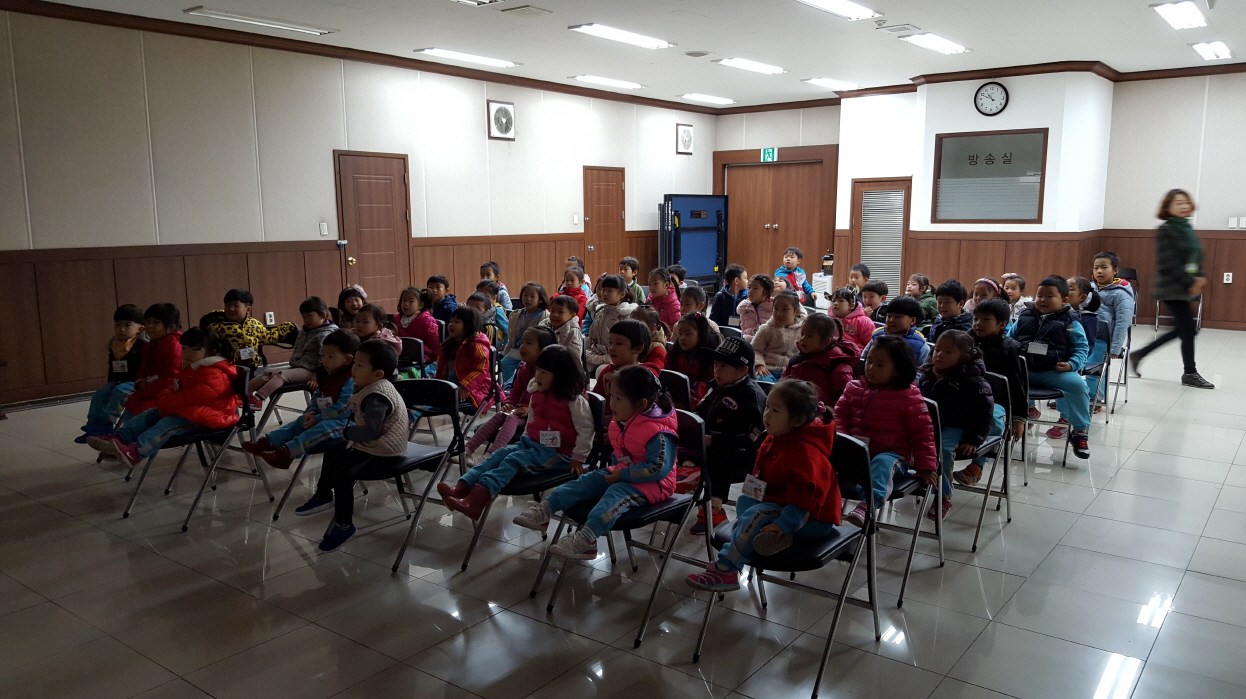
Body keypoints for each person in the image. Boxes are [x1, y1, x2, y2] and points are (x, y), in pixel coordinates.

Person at [685, 379, 839, 591]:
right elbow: (758, 478)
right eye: (767, 406)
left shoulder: (806, 453)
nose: (766, 415)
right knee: (747, 504)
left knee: (756, 515)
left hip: (811, 519)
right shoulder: (773, 438)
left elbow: (804, 501)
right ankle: (762, 536)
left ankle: (727, 569)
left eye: (775, 410)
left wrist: (783, 524)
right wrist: (748, 512)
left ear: (797, 420)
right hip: (781, 505)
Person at [513, 365, 678, 560]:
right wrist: (619, 472)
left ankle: (587, 540)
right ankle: (545, 510)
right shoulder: (622, 422)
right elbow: (621, 457)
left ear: (641, 404)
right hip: (623, 472)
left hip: (655, 484)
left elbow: (659, 468)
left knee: (616, 494)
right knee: (587, 480)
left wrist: (623, 475)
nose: (612, 403)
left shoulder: (659, 432)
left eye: (618, 399)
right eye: (612, 396)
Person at [441, 344, 594, 520]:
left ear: (561, 376)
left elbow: (586, 430)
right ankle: (461, 488)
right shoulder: (537, 393)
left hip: (557, 454)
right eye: (538, 370)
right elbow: (532, 421)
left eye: (544, 372)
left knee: (513, 460)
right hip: (532, 445)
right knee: (498, 454)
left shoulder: (574, 401)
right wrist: (525, 440)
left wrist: (578, 458)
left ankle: (477, 501)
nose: (538, 376)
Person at [293, 340, 409, 552]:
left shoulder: (376, 396)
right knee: (333, 449)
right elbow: (348, 412)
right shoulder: (367, 386)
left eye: (360, 365)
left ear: (378, 374)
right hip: (370, 444)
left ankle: (344, 525)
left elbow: (372, 431)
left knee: (342, 474)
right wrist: (321, 418)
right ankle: (323, 495)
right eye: (355, 362)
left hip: (383, 451)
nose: (353, 368)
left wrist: (346, 433)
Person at [89, 327, 239, 466]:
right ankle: (119, 438)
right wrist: (163, 399)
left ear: (211, 352)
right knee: (149, 414)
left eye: (194, 350)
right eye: (184, 349)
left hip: (208, 417)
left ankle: (136, 452)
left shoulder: (213, 372)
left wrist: (166, 402)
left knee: (167, 424)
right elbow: (177, 387)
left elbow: (197, 396)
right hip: (190, 411)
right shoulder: (194, 366)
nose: (187, 354)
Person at [835, 335, 938, 527]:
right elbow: (840, 417)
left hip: (893, 455)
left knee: (882, 463)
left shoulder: (909, 396)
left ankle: (868, 505)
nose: (871, 368)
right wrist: (845, 442)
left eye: (880, 365)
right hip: (858, 454)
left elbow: (923, 434)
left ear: (898, 370)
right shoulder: (853, 388)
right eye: (869, 362)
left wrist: (926, 467)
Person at [1131, 189, 1213, 388]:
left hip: (1182, 285)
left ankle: (1140, 354)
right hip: (1170, 286)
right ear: (1168, 207)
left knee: (1183, 329)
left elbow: (1192, 258)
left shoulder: (1186, 227)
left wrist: (1198, 275)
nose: (1184, 206)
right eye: (1178, 203)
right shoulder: (1166, 230)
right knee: (1188, 330)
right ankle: (1189, 373)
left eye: (1186, 202)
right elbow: (1169, 263)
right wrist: (1191, 281)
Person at [243, 329, 358, 469]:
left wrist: (318, 418)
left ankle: (287, 453)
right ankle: (269, 442)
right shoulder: (328, 373)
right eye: (323, 355)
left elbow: (344, 409)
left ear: (347, 359)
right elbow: (318, 395)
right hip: (323, 415)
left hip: (348, 423)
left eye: (330, 356)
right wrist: (312, 412)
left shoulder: (351, 379)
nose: (324, 360)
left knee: (323, 428)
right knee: (301, 421)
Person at [1008, 276, 1092, 459]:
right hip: (1024, 371)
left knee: (1078, 385)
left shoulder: (1070, 321)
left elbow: (1082, 347)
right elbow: (1008, 339)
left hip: (1054, 372)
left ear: (1064, 300)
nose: (1043, 300)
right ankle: (1003, 424)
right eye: (1039, 295)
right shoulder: (1024, 316)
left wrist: (1072, 364)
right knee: (999, 379)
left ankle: (1079, 432)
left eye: (1050, 296)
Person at [918, 330, 995, 521]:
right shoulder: (928, 375)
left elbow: (984, 413)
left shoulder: (974, 382)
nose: (939, 355)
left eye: (948, 352)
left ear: (965, 358)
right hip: (930, 425)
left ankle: (943, 496)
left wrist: (974, 439)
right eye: (937, 350)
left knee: (942, 450)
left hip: (958, 427)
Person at [464, 327, 557, 460]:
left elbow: (550, 401)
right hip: (519, 410)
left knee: (511, 419)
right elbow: (516, 391)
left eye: (529, 343)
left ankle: (491, 456)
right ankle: (468, 449)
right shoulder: (524, 368)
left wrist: (529, 410)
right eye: (522, 342)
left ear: (544, 350)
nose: (522, 346)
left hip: (537, 416)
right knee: (500, 415)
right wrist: (509, 403)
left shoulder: (549, 374)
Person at [966, 298, 1026, 486]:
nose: (978, 324)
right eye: (976, 318)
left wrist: (1018, 418)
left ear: (1001, 324)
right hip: (964, 400)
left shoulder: (1008, 350)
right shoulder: (964, 342)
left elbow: (1017, 386)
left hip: (996, 404)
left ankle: (976, 467)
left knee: (993, 422)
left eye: (986, 320)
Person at [248, 296, 336, 410]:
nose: (306, 320)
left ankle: (258, 399)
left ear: (322, 315)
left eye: (309, 316)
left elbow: (324, 360)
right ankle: (242, 396)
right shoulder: (305, 330)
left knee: (280, 375)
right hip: (299, 367)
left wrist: (316, 378)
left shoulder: (328, 334)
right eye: (304, 317)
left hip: (313, 370)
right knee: (268, 373)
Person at [77, 304, 148, 442]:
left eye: (128, 325)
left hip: (135, 382)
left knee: (119, 391)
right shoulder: (114, 343)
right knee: (100, 393)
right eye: (117, 325)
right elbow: (112, 365)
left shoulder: (142, 344)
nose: (121, 329)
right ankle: (93, 426)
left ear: (140, 327)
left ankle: (106, 422)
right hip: (118, 380)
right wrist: (110, 382)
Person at [200, 289, 298, 369]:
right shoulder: (216, 325)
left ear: (248, 309)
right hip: (225, 367)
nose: (231, 309)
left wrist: (288, 329)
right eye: (227, 305)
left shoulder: (255, 325)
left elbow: (268, 336)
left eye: (236, 305)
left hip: (250, 366)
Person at [782, 312, 860, 406]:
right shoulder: (796, 359)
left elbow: (845, 398)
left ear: (826, 342)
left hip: (823, 412)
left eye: (809, 336)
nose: (803, 339)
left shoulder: (836, 365)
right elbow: (783, 382)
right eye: (802, 334)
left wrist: (828, 411)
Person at [121, 303, 184, 419]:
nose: (150, 326)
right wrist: (140, 382)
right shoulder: (150, 345)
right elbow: (143, 369)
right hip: (152, 388)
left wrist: (146, 389)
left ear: (171, 327)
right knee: (130, 405)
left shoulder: (174, 346)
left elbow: (172, 378)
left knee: (142, 411)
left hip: (167, 392)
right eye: (148, 322)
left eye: (156, 322)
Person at [595, 319, 663, 416]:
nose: (611, 348)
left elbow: (644, 409)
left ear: (638, 348)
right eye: (610, 343)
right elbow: (598, 398)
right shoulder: (608, 371)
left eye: (619, 344)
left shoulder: (643, 375)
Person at [436, 306, 494, 411]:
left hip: (474, 389)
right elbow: (441, 370)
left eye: (457, 322)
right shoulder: (448, 344)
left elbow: (481, 370)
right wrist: (437, 383)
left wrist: (465, 385)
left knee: (431, 400)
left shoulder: (477, 346)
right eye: (451, 321)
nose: (451, 324)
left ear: (469, 325)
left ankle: (409, 417)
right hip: (451, 385)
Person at [585, 275, 639, 376]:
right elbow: (592, 336)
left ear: (622, 294)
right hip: (596, 353)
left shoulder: (625, 314)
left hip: (615, 355)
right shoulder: (600, 311)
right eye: (603, 290)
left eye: (610, 291)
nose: (604, 293)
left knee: (601, 371)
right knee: (579, 368)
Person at [501, 282, 549, 388]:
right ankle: (508, 387)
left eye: (532, 296)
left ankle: (522, 387)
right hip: (519, 349)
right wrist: (507, 351)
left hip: (534, 352)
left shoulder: (545, 316)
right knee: (505, 363)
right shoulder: (516, 315)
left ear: (540, 300)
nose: (528, 299)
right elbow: (512, 337)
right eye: (525, 295)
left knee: (523, 368)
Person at [666, 312, 720, 407]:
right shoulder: (675, 353)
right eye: (680, 334)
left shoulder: (710, 356)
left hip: (701, 396)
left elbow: (713, 383)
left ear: (701, 334)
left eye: (688, 334)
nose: (682, 338)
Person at [862, 295, 930, 369]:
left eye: (898, 317)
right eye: (889, 316)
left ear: (912, 321)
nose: (891, 320)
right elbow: (864, 358)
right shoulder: (878, 337)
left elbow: (921, 370)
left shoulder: (920, 345)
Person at [752, 292, 804, 381]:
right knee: (762, 381)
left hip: (792, 372)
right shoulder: (766, 329)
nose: (779, 313)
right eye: (776, 309)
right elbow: (755, 350)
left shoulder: (803, 331)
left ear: (796, 312)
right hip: (768, 370)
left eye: (785, 309)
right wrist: (759, 365)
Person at [393, 287, 441, 367]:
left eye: (411, 301)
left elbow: (434, 346)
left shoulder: (427, 320)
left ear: (421, 305)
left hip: (424, 358)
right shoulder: (397, 318)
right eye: (403, 300)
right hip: (402, 356)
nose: (406, 304)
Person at [542, 295, 584, 372]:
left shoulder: (573, 331)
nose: (555, 315)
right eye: (552, 311)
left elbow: (574, 358)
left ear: (571, 316)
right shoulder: (544, 326)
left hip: (566, 369)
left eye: (560, 312)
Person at [737, 274, 774, 342]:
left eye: (755, 288)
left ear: (766, 292)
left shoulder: (774, 308)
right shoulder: (744, 308)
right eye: (749, 287)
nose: (750, 291)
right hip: (748, 342)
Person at [710, 264, 749, 329]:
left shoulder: (747, 297)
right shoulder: (720, 296)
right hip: (723, 330)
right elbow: (713, 318)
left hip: (742, 331)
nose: (747, 281)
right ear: (736, 281)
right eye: (745, 278)